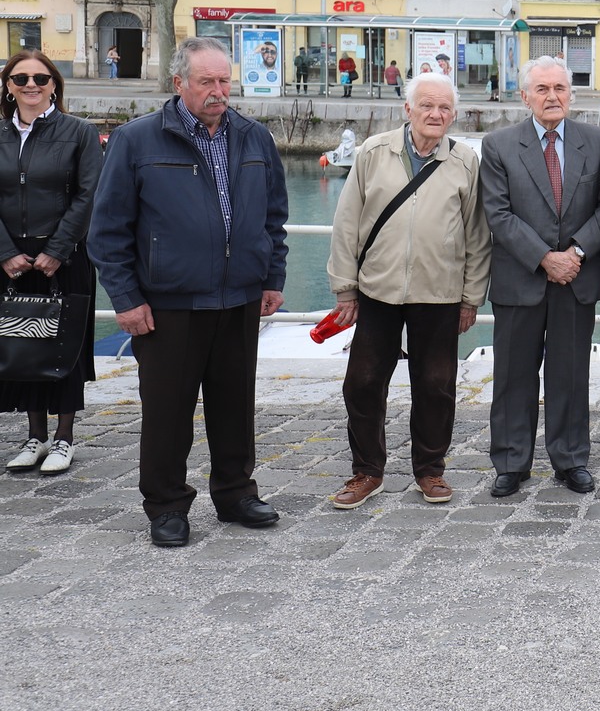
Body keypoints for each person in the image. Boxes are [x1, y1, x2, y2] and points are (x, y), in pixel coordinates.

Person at [89, 38, 288, 548]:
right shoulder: (137, 141)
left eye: (225, 81)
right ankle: (166, 505)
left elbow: (274, 218)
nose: (219, 92)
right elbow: (108, 230)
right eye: (207, 82)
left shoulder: (254, 137)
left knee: (234, 403)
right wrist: (126, 299)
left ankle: (236, 492)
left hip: (239, 297)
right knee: (167, 411)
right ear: (180, 83)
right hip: (167, 302)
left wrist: (272, 278)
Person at [324, 71, 491, 510]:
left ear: (453, 115)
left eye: (444, 108)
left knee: (436, 384)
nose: (435, 114)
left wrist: (472, 296)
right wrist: (345, 288)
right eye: (427, 106)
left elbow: (477, 233)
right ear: (408, 110)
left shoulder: (464, 161)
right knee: (362, 382)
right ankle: (367, 471)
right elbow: (346, 225)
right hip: (377, 289)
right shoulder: (373, 152)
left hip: (440, 292)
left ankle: (430, 470)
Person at [480, 57, 600, 498]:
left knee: (571, 375)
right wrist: (544, 258)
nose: (552, 96)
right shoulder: (499, 145)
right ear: (525, 96)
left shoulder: (596, 142)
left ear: (570, 94)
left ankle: (571, 459)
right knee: (513, 375)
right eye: (542, 89)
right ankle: (511, 462)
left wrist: (574, 252)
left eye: (559, 88)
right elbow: (497, 213)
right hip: (520, 278)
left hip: (577, 276)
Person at [1, 51, 102, 477]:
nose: (31, 85)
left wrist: (56, 250)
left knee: (64, 349)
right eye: (20, 77)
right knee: (21, 345)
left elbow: (88, 195)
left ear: (54, 85)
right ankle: (34, 436)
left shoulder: (79, 132)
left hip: (64, 258)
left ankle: (64, 438)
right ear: (8, 85)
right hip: (11, 261)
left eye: (40, 78)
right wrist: (5, 253)